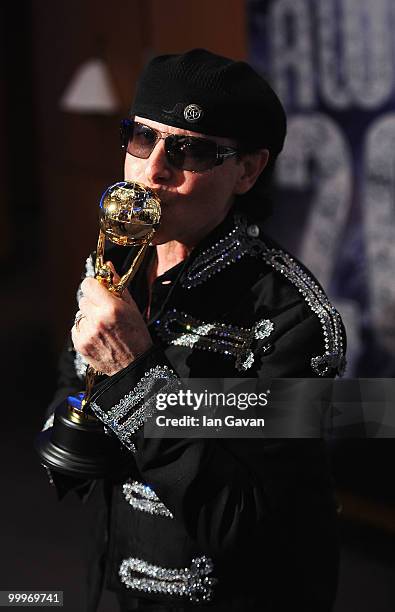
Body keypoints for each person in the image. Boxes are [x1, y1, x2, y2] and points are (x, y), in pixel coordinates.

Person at [43, 49, 346, 611]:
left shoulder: (294, 319)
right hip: (116, 578)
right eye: (140, 138)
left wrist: (135, 374)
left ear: (248, 171)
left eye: (189, 150)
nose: (151, 170)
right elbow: (76, 379)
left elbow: (255, 526)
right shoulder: (120, 255)